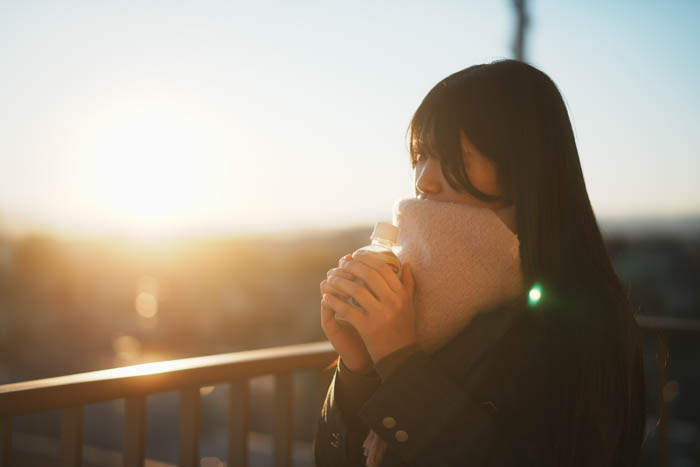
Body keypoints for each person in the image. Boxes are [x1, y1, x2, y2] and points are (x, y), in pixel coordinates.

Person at [313, 59, 646, 467]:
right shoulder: (427, 305)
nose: (423, 180)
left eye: (450, 155)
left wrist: (399, 360)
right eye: (420, 155)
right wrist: (358, 365)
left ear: (522, 164)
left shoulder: (584, 320)